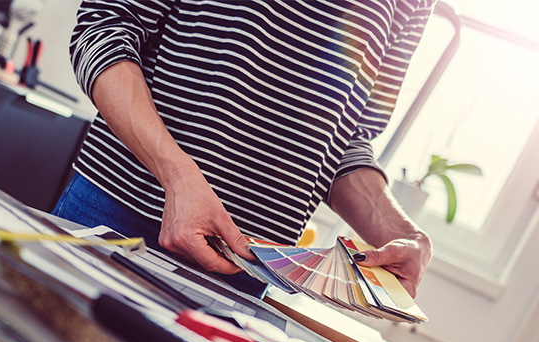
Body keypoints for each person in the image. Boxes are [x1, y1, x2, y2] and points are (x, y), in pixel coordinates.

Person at [54, 0, 434, 298]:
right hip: (119, 215)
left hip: (245, 270)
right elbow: (104, 29)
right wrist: (178, 178)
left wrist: (400, 233)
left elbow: (343, 139)